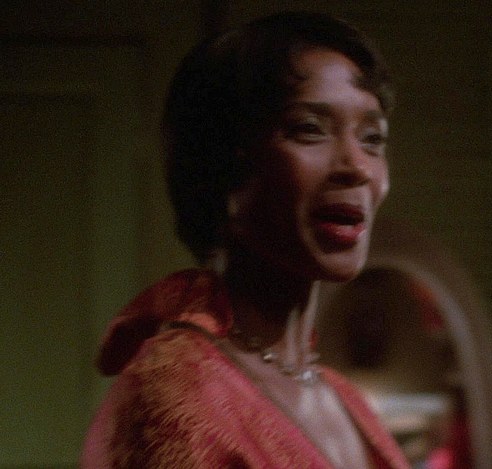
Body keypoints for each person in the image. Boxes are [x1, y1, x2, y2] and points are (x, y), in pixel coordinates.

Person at [81, 11, 409, 468]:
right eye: (309, 129)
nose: (357, 167)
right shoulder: (179, 393)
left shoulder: (344, 397)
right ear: (224, 170)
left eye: (372, 138)